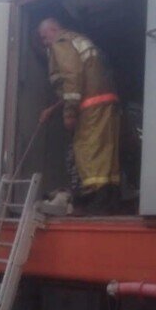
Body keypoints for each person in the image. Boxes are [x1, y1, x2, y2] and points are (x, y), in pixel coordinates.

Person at [37, 17, 121, 215]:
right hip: (105, 104)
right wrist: (54, 109)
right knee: (106, 151)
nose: (44, 42)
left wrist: (69, 113)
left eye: (44, 36)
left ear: (54, 29)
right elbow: (83, 80)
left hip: (90, 108)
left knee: (88, 152)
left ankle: (95, 204)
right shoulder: (79, 40)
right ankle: (111, 201)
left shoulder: (61, 42)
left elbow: (72, 78)